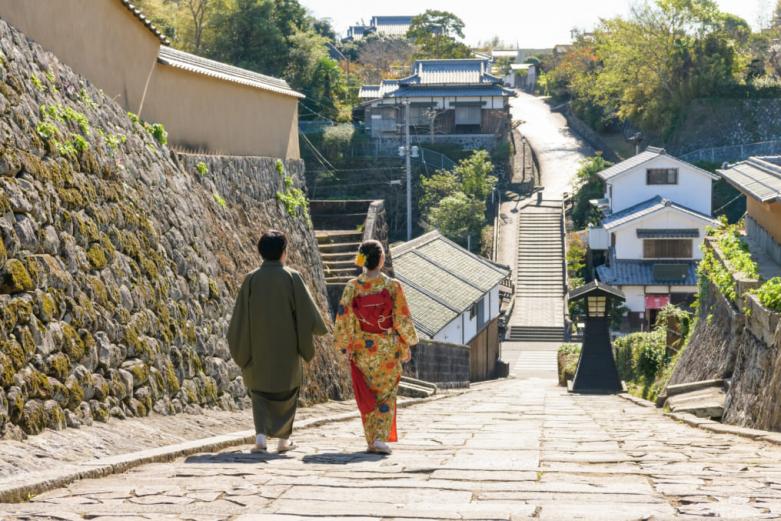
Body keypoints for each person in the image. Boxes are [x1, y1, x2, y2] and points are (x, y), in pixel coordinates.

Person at [227, 230, 328, 454]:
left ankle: (261, 438)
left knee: (259, 393)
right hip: (287, 349)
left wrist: (243, 347)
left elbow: (239, 318)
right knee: (288, 393)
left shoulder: (251, 279)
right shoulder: (292, 277)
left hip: (258, 348)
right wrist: (317, 329)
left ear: (260, 252)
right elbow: (307, 312)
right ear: (284, 252)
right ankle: (283, 440)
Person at [334, 240, 419, 455]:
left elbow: (345, 316)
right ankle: (380, 438)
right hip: (387, 348)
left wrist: (345, 343)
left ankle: (371, 439)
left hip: (363, 347)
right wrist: (409, 341)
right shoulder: (392, 286)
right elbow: (400, 318)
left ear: (362, 259)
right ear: (381, 259)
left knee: (367, 394)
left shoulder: (353, 286)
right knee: (386, 395)